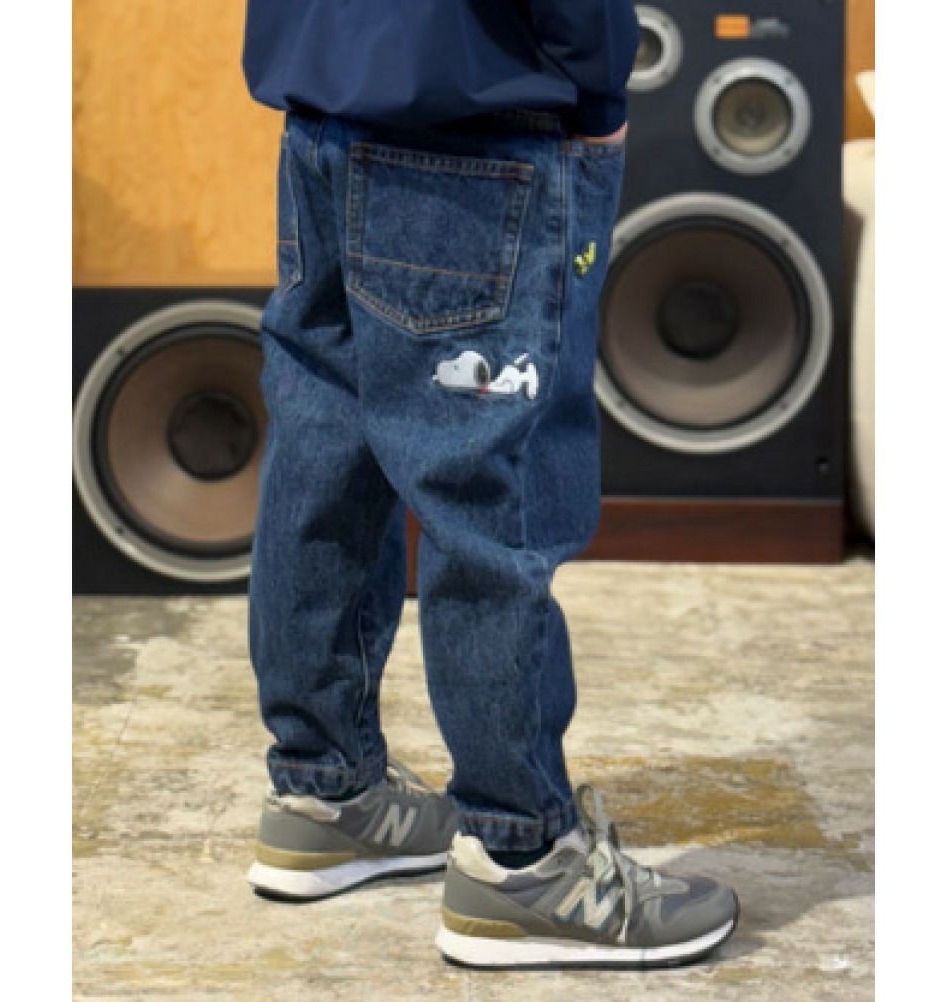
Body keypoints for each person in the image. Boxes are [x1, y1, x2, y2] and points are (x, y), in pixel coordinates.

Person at [241, 0, 739, 968]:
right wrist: (598, 81)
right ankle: (524, 858)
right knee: (491, 497)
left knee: (326, 457)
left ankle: (323, 791)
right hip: (477, 124)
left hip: (321, 103)